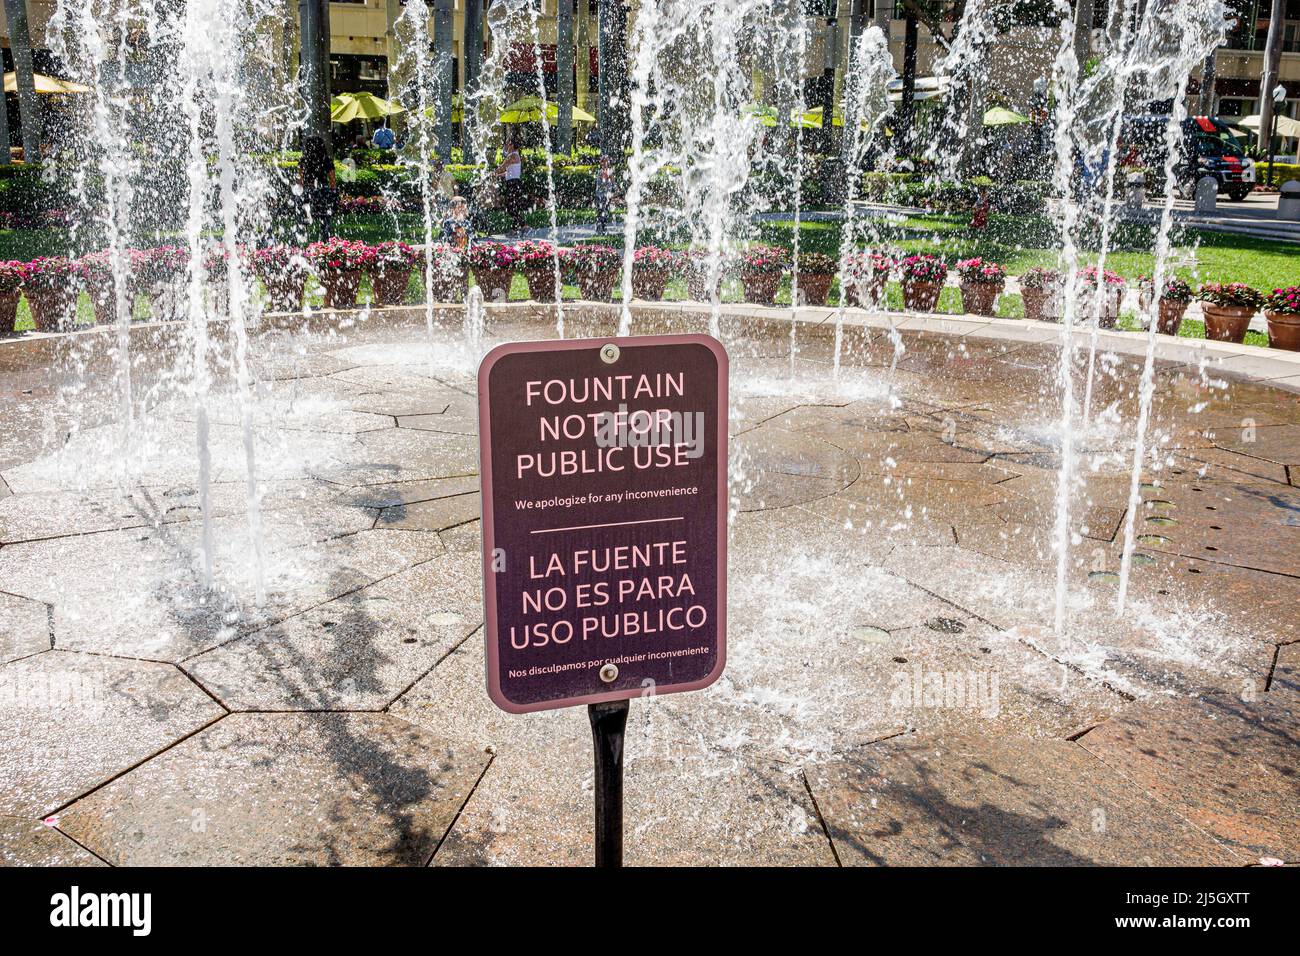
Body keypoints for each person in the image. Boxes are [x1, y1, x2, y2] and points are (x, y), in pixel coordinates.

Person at [300, 134, 337, 239]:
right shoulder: (327, 160)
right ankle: (325, 238)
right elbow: (332, 181)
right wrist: (333, 193)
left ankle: (302, 236)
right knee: (325, 218)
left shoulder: (304, 160)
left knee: (304, 215)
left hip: (308, 191)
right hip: (323, 190)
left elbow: (301, 181)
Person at [496, 138, 525, 230]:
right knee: (513, 206)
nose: (506, 146)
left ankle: (524, 225)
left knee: (511, 206)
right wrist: (498, 175)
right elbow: (509, 172)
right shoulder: (514, 155)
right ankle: (516, 228)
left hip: (513, 183)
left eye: (507, 144)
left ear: (512, 145)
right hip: (513, 182)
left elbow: (503, 167)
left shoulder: (512, 156)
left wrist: (492, 173)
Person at [595, 155, 617, 234]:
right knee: (601, 211)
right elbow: (604, 180)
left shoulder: (610, 171)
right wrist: (609, 177)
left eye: (607, 161)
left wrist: (615, 190)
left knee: (605, 211)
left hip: (607, 195)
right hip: (600, 195)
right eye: (604, 161)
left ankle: (603, 227)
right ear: (601, 162)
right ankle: (599, 228)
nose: (606, 163)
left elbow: (613, 182)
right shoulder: (600, 171)